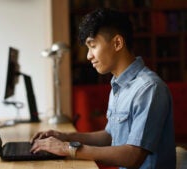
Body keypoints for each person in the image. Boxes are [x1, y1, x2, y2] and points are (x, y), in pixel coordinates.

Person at [30, 8, 176, 169]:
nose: (88, 55)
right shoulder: (118, 84)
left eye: (92, 46)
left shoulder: (149, 89)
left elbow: (133, 156)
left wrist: (67, 149)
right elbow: (110, 136)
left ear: (117, 43)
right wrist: (64, 137)